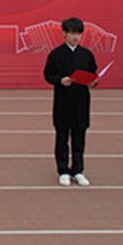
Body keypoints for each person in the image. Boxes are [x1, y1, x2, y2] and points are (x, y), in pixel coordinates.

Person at [42, 17, 97, 187]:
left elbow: (93, 74)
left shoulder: (86, 55)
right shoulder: (56, 54)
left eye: (79, 34)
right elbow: (48, 75)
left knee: (79, 138)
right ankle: (63, 170)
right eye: (72, 33)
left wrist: (93, 82)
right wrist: (60, 80)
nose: (75, 37)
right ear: (64, 34)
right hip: (63, 102)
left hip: (81, 102)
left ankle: (78, 171)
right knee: (62, 138)